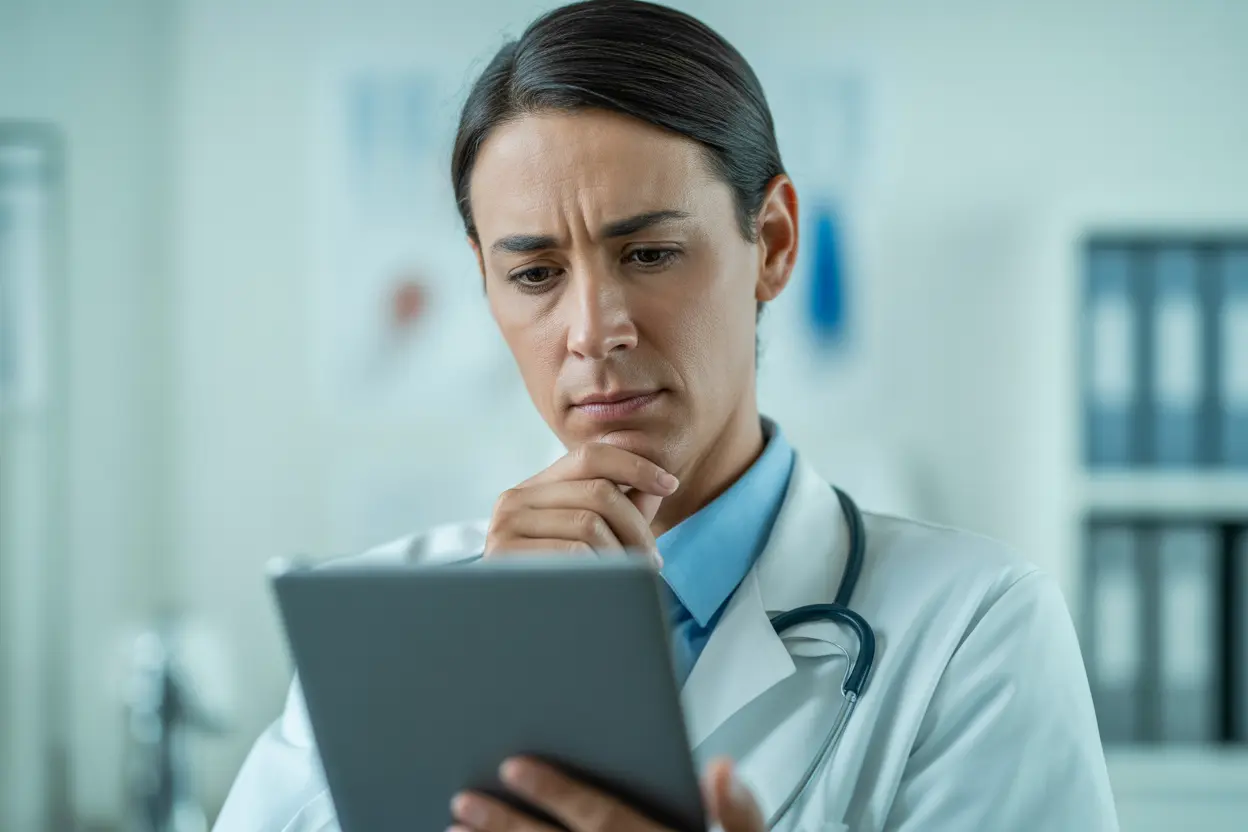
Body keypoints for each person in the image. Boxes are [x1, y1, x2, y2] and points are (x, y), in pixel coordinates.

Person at [214, 1, 1119, 830]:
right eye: (534, 274)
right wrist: (479, 680)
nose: (593, 330)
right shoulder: (386, 634)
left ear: (771, 244)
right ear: (485, 282)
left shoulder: (974, 628)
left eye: (649, 253)